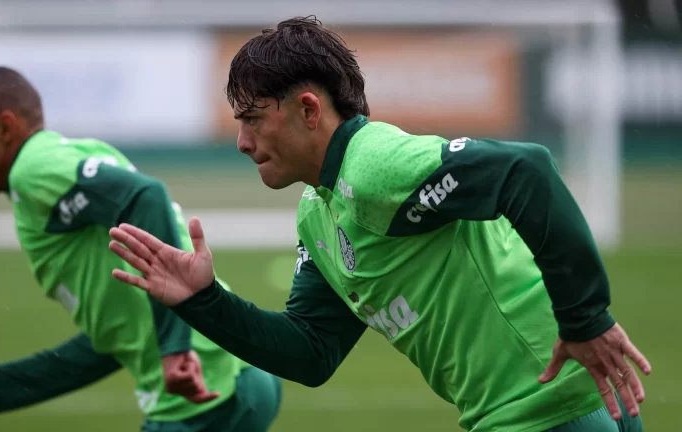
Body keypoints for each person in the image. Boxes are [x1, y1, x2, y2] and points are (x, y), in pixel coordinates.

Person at [108, 16, 653, 432]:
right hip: (552, 406)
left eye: (252, 118)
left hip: (548, 409)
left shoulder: (373, 165)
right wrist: (203, 301)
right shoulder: (317, 213)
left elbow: (525, 169)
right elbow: (310, 350)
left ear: (308, 109)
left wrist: (585, 319)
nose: (242, 141)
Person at [0, 66, 282, 432]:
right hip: (238, 373)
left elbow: (146, 195)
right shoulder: (64, 163)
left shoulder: (32, 167)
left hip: (201, 397)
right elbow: (115, 338)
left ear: (5, 128)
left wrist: (175, 349)